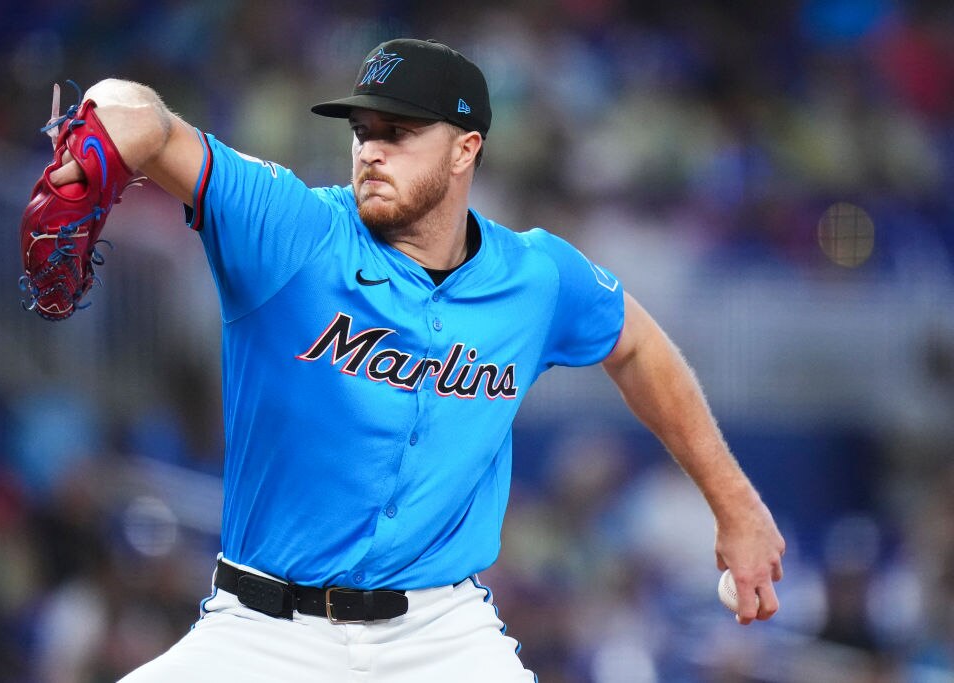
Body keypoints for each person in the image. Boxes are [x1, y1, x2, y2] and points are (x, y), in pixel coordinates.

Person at [42, 38, 785, 682]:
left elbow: (638, 346)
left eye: (398, 132)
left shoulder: (536, 277)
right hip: (264, 629)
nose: (370, 149)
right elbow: (137, 112)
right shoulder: (290, 230)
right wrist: (94, 145)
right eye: (362, 130)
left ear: (467, 147)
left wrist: (738, 506)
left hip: (441, 634)